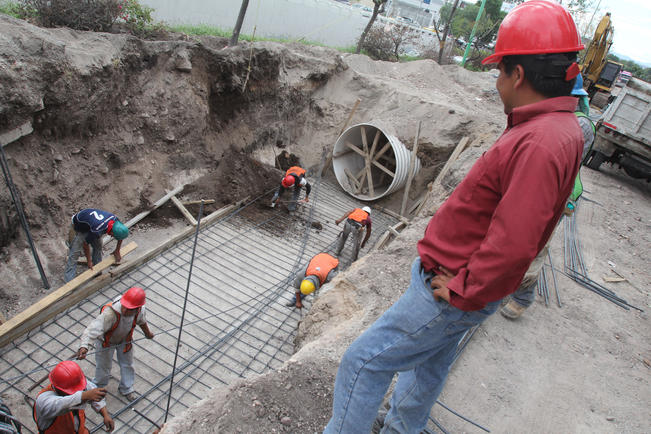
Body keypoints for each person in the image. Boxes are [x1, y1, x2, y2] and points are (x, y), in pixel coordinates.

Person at [324, 2, 585, 432]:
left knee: (363, 362)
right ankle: (402, 428)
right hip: (461, 283)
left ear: (518, 75)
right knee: (427, 366)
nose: (497, 82)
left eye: (500, 71)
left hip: (451, 286)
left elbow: (516, 239)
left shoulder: (540, 141)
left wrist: (466, 288)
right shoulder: (557, 128)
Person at [501, 74, 596, 319]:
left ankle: (522, 298)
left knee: (533, 248)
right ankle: (505, 286)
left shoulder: (581, 125)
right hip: (531, 189)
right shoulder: (548, 116)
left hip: (556, 196)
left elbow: (560, 165)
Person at [77, 287, 154, 402]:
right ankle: (97, 389)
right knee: (103, 367)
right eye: (125, 307)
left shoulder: (140, 310)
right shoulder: (111, 313)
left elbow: (142, 321)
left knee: (127, 364)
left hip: (124, 339)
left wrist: (148, 333)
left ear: (137, 308)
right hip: (106, 342)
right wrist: (84, 346)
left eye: (129, 309)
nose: (125, 311)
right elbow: (92, 330)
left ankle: (127, 388)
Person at [33, 360, 114, 433]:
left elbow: (91, 390)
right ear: (59, 389)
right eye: (72, 392)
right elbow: (62, 404)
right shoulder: (43, 401)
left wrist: (105, 414)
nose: (77, 392)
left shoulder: (75, 383)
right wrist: (84, 395)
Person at [64, 208, 129, 282]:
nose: (111, 237)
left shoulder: (116, 221)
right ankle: (69, 282)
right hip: (80, 225)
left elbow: (121, 235)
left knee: (98, 246)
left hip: (92, 224)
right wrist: (89, 261)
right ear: (112, 232)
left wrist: (117, 250)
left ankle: (97, 271)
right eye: (113, 235)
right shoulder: (97, 230)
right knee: (74, 254)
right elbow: (85, 245)